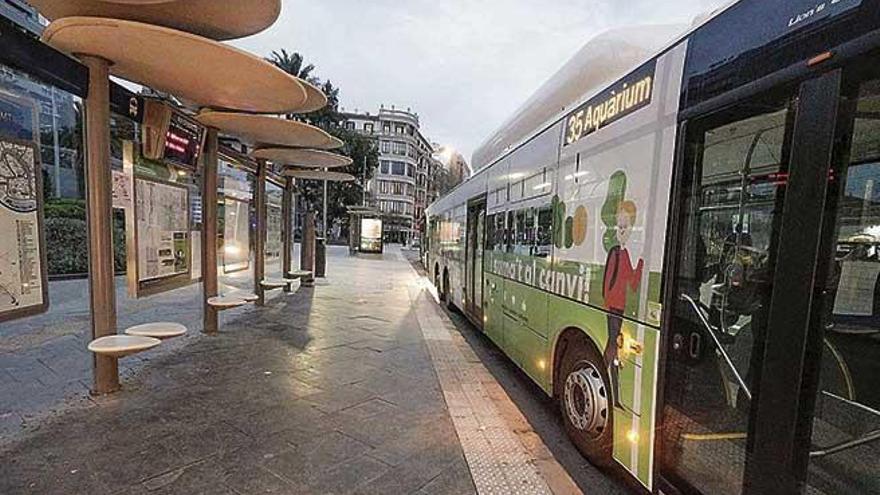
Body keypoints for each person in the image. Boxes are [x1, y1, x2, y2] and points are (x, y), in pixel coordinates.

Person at [603, 200, 644, 408]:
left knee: (615, 349)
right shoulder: (614, 253)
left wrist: (642, 263)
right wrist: (608, 305)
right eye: (619, 227)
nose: (622, 231)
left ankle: (614, 395)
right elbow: (608, 281)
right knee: (612, 347)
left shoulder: (627, 254)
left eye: (625, 227)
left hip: (620, 308)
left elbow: (633, 283)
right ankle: (608, 386)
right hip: (613, 308)